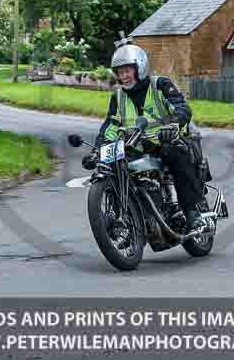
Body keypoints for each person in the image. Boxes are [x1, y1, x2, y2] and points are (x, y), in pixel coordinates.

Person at [82, 42, 207, 233]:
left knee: (175, 153)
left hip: (168, 140)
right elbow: (111, 126)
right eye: (119, 72)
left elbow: (182, 108)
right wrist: (97, 150)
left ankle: (191, 211)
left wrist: (173, 125)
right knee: (116, 165)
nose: (123, 76)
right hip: (138, 146)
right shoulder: (118, 97)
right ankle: (131, 217)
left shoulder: (160, 85)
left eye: (127, 71)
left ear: (140, 67)